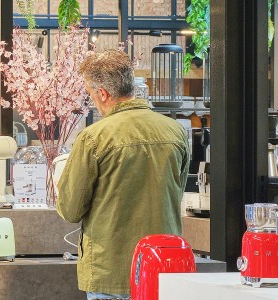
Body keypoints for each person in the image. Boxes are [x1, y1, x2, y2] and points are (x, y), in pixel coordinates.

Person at [57, 50, 189, 300]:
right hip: (165, 268)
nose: (92, 99)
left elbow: (70, 209)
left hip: (112, 272)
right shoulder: (176, 132)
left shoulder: (94, 138)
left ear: (103, 93)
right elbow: (176, 193)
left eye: (90, 93)